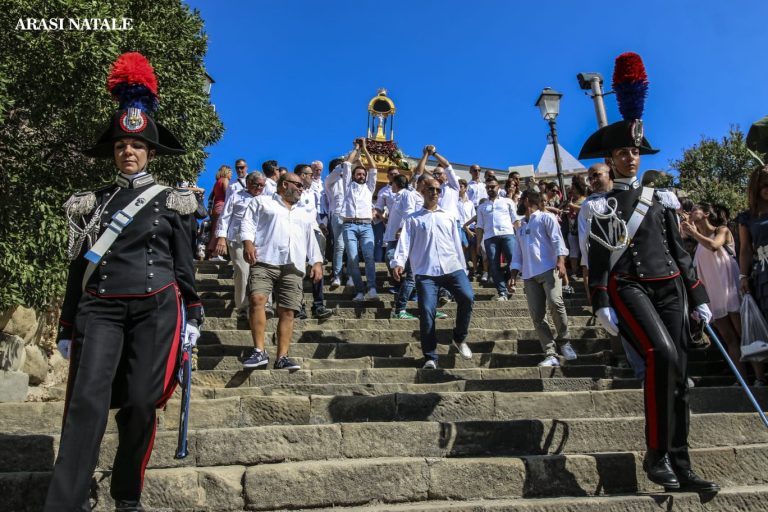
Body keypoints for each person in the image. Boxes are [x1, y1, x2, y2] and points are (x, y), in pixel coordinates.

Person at [47, 52, 202, 511]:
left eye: (136, 146)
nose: (128, 152)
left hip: (156, 306)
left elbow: (183, 263)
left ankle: (126, 493)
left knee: (140, 402)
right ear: (114, 152)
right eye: (120, 146)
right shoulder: (90, 202)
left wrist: (192, 311)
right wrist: (66, 324)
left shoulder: (173, 201)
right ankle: (65, 502)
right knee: (85, 405)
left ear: (150, 152)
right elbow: (80, 266)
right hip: (101, 308)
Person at [579, 52, 717, 493]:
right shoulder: (601, 205)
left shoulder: (663, 198)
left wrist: (700, 298)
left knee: (679, 371)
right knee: (661, 356)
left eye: (635, 151)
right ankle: (656, 456)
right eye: (623, 153)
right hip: (629, 286)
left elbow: (681, 253)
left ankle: (682, 461)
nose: (631, 159)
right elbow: (600, 259)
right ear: (611, 158)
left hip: (672, 289)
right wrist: (599, 299)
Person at [239, 173, 323, 370]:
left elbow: (311, 237)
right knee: (257, 299)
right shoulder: (262, 202)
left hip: (293, 264)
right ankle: (259, 351)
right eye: (299, 185)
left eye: (303, 186)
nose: (302, 189)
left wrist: (316, 262)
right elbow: (247, 223)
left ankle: (282, 357)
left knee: (288, 310)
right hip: (265, 259)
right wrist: (248, 243)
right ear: (285, 184)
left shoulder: (304, 211)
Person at [392, 177, 474, 369]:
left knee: (468, 297)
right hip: (426, 271)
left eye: (438, 190)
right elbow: (404, 242)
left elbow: (456, 243)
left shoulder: (448, 216)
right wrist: (398, 262)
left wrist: (464, 267)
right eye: (431, 189)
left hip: (452, 267)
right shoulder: (413, 219)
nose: (435, 192)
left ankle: (459, 338)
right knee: (427, 311)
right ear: (422, 191)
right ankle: (430, 357)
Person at [685, 203, 764, 384]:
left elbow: (714, 246)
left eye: (694, 209)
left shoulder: (722, 230)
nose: (690, 212)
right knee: (729, 339)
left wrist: (693, 233)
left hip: (730, 289)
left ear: (706, 213)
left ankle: (759, 378)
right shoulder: (696, 245)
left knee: (744, 333)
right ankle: (742, 380)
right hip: (714, 295)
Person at [509, 190, 576, 366]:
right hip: (529, 275)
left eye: (520, 200)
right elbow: (517, 252)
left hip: (549, 269)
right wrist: (513, 275)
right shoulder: (521, 226)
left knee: (556, 303)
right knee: (537, 316)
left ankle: (565, 341)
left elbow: (557, 240)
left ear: (525, 200)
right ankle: (550, 353)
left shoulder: (547, 218)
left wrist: (561, 261)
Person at [326, 138, 378, 301]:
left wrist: (366, 149)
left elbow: (374, 168)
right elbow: (348, 164)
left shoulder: (369, 187)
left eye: (363, 174)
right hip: (349, 225)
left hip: (366, 226)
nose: (361, 176)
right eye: (358, 174)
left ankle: (372, 288)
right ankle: (360, 291)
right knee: (353, 259)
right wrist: (356, 148)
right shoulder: (347, 185)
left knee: (369, 256)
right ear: (353, 176)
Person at [214, 171, 265, 319]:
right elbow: (224, 217)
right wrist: (221, 238)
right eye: (257, 184)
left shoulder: (266, 199)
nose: (260, 188)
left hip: (259, 242)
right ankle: (242, 307)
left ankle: (262, 305)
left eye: (262, 185)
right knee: (243, 272)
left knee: (260, 274)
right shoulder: (236, 196)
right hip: (236, 239)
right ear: (248, 183)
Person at [294, 163, 333, 319]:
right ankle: (299, 306)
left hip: (314, 233)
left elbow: (314, 213)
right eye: (310, 175)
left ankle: (318, 305)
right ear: (302, 175)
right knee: (297, 269)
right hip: (297, 233)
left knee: (317, 267)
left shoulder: (312, 193)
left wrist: (320, 225)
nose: (313, 177)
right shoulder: (292, 192)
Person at [476, 177, 519, 300]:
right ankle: (502, 292)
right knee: (494, 265)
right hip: (490, 237)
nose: (490, 189)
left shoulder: (508, 201)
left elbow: (515, 219)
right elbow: (479, 226)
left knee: (513, 259)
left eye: (492, 186)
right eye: (488, 187)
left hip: (507, 234)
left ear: (498, 187)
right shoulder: (482, 207)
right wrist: (478, 243)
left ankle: (512, 281)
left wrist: (520, 236)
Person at [324, 157, 346, 288]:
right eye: (340, 166)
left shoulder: (348, 180)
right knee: (339, 246)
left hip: (351, 215)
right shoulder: (329, 180)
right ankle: (337, 275)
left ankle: (349, 275)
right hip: (337, 215)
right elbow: (339, 169)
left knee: (351, 247)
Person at [207, 164, 231, 260]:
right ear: (226, 172)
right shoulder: (225, 180)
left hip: (215, 207)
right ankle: (215, 253)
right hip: (222, 207)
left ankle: (212, 253)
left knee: (215, 230)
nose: (231, 175)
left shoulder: (217, 182)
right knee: (220, 229)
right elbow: (227, 194)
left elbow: (211, 197)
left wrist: (210, 207)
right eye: (230, 172)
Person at [457, 179, 477, 276]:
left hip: (471, 227)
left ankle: (475, 268)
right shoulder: (455, 201)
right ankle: (463, 266)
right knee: (464, 245)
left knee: (473, 248)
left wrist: (472, 227)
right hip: (460, 227)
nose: (459, 188)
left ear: (465, 188)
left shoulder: (470, 203)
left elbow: (473, 215)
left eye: (461, 186)